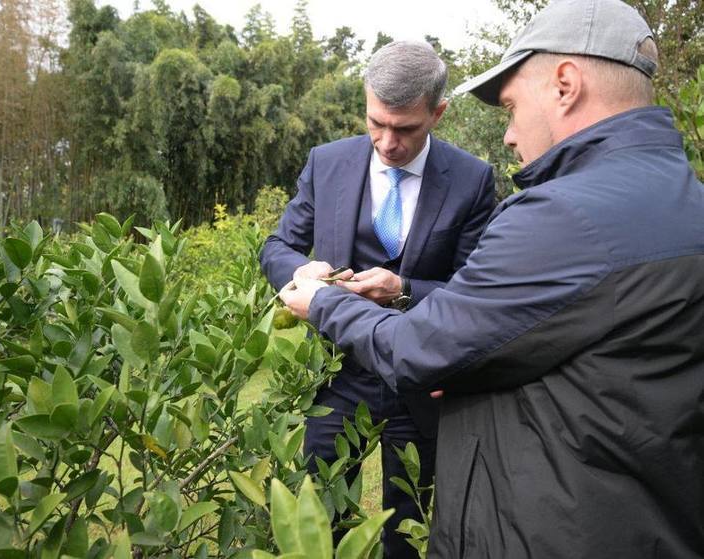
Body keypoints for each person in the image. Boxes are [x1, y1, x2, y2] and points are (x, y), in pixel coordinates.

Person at [280, 0, 704, 557]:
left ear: (565, 84)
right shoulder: (688, 202)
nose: (507, 134)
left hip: (553, 526)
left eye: (509, 107)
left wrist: (322, 303)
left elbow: (421, 346)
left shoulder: (561, 216)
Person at [260, 40, 495, 558]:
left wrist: (404, 289)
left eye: (405, 128)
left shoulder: (473, 180)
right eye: (375, 123)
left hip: (421, 380)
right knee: (321, 516)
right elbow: (276, 246)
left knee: (408, 528)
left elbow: (476, 291)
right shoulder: (327, 162)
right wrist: (304, 269)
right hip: (335, 375)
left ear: (438, 112)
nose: (387, 143)